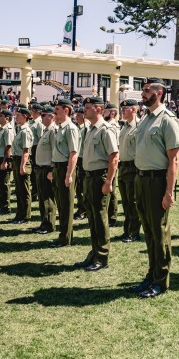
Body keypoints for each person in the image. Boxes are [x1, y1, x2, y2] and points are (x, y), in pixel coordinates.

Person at [128, 78, 179, 299]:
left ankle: (161, 280)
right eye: (143, 90)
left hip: (157, 181)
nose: (143, 93)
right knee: (149, 231)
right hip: (142, 179)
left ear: (159, 93)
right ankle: (151, 274)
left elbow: (174, 160)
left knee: (159, 231)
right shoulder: (146, 118)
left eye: (147, 90)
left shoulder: (167, 120)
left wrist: (169, 191)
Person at [74, 96, 119, 272]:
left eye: (88, 108)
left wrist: (109, 181)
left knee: (100, 218)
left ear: (99, 109)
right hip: (89, 176)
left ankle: (102, 256)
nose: (84, 110)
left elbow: (114, 156)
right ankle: (94, 253)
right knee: (92, 217)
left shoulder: (105, 130)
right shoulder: (91, 129)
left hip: (100, 176)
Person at [50, 99, 79, 248]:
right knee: (60, 203)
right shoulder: (59, 128)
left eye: (57, 109)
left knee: (66, 205)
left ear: (66, 110)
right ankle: (63, 234)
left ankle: (65, 238)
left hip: (65, 169)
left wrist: (69, 174)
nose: (55, 112)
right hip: (57, 168)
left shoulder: (70, 128)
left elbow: (73, 153)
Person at [118, 99, 141, 243]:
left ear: (134, 110)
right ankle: (127, 229)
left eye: (126, 109)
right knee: (126, 202)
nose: (123, 111)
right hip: (123, 166)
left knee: (133, 202)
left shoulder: (139, 127)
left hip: (133, 167)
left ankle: (134, 232)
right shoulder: (124, 126)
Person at [33, 105, 57, 234]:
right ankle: (44, 223)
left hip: (47, 168)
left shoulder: (53, 131)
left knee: (48, 197)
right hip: (41, 168)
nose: (41, 118)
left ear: (51, 116)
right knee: (42, 198)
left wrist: (51, 170)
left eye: (43, 115)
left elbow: (55, 151)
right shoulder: (46, 130)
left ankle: (49, 225)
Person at [11, 107, 34, 224]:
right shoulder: (20, 130)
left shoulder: (26, 131)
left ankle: (25, 216)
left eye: (18, 115)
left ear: (25, 116)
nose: (16, 117)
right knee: (19, 190)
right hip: (17, 160)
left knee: (24, 190)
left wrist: (22, 165)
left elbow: (26, 150)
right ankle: (19, 214)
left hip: (22, 161)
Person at [0, 109, 15, 215]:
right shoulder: (1, 129)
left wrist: (5, 161)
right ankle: (0, 206)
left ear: (7, 118)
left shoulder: (8, 129)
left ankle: (5, 207)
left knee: (4, 184)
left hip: (2, 160)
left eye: (0, 116)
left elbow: (8, 147)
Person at [103, 103, 121, 227]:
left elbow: (115, 147)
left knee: (112, 189)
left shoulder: (113, 127)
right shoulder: (108, 126)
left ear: (112, 113)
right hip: (106, 160)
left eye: (106, 112)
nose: (104, 114)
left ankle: (112, 216)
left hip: (111, 160)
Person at [73, 107, 90, 221]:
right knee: (79, 187)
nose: (76, 117)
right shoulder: (78, 128)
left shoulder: (86, 128)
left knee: (84, 188)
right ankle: (81, 208)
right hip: (79, 159)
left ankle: (84, 210)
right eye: (76, 115)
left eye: (79, 115)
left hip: (84, 160)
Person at [28, 103, 44, 205]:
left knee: (35, 173)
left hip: (36, 148)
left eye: (33, 111)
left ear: (38, 112)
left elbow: (41, 139)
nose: (31, 112)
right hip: (32, 148)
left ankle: (36, 193)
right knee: (33, 173)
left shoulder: (39, 123)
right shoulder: (32, 122)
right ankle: (34, 192)